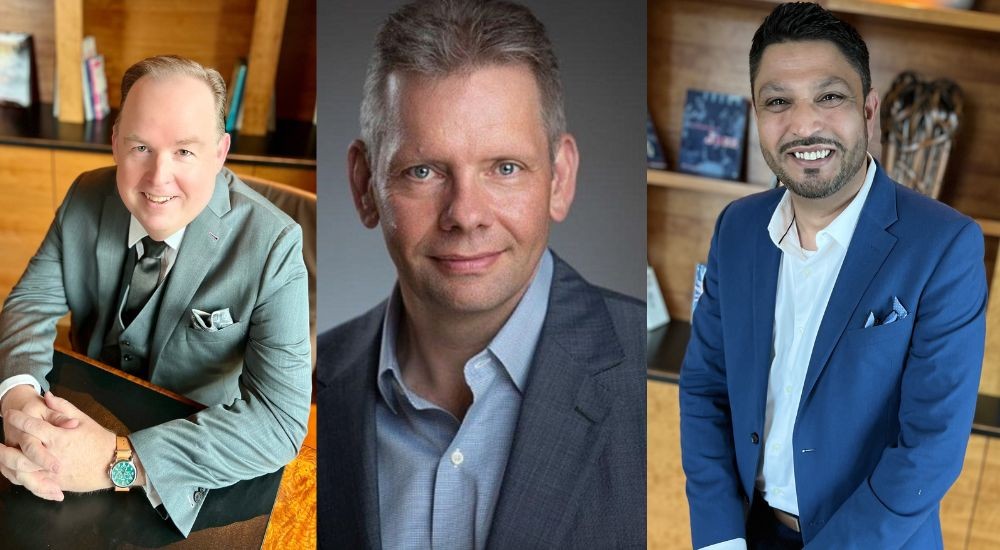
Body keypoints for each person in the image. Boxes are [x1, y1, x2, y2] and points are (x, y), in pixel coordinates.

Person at [315, 1, 645, 548]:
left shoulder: (658, 393)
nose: (466, 214)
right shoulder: (303, 389)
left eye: (505, 168)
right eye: (423, 171)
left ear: (559, 179)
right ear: (364, 186)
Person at [679, 3, 988, 548]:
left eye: (829, 96)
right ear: (757, 117)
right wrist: (720, 539)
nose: (804, 125)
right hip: (746, 534)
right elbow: (706, 390)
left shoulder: (945, 244)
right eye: (778, 102)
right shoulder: (737, 228)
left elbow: (931, 446)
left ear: (869, 110)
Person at [0, 56, 312, 537]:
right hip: (80, 408)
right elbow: (29, 304)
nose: (158, 179)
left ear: (221, 152)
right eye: (141, 147)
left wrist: (116, 462)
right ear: (115, 142)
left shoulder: (275, 244)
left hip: (194, 452)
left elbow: (280, 420)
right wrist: (19, 400)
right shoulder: (86, 193)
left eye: (185, 151)